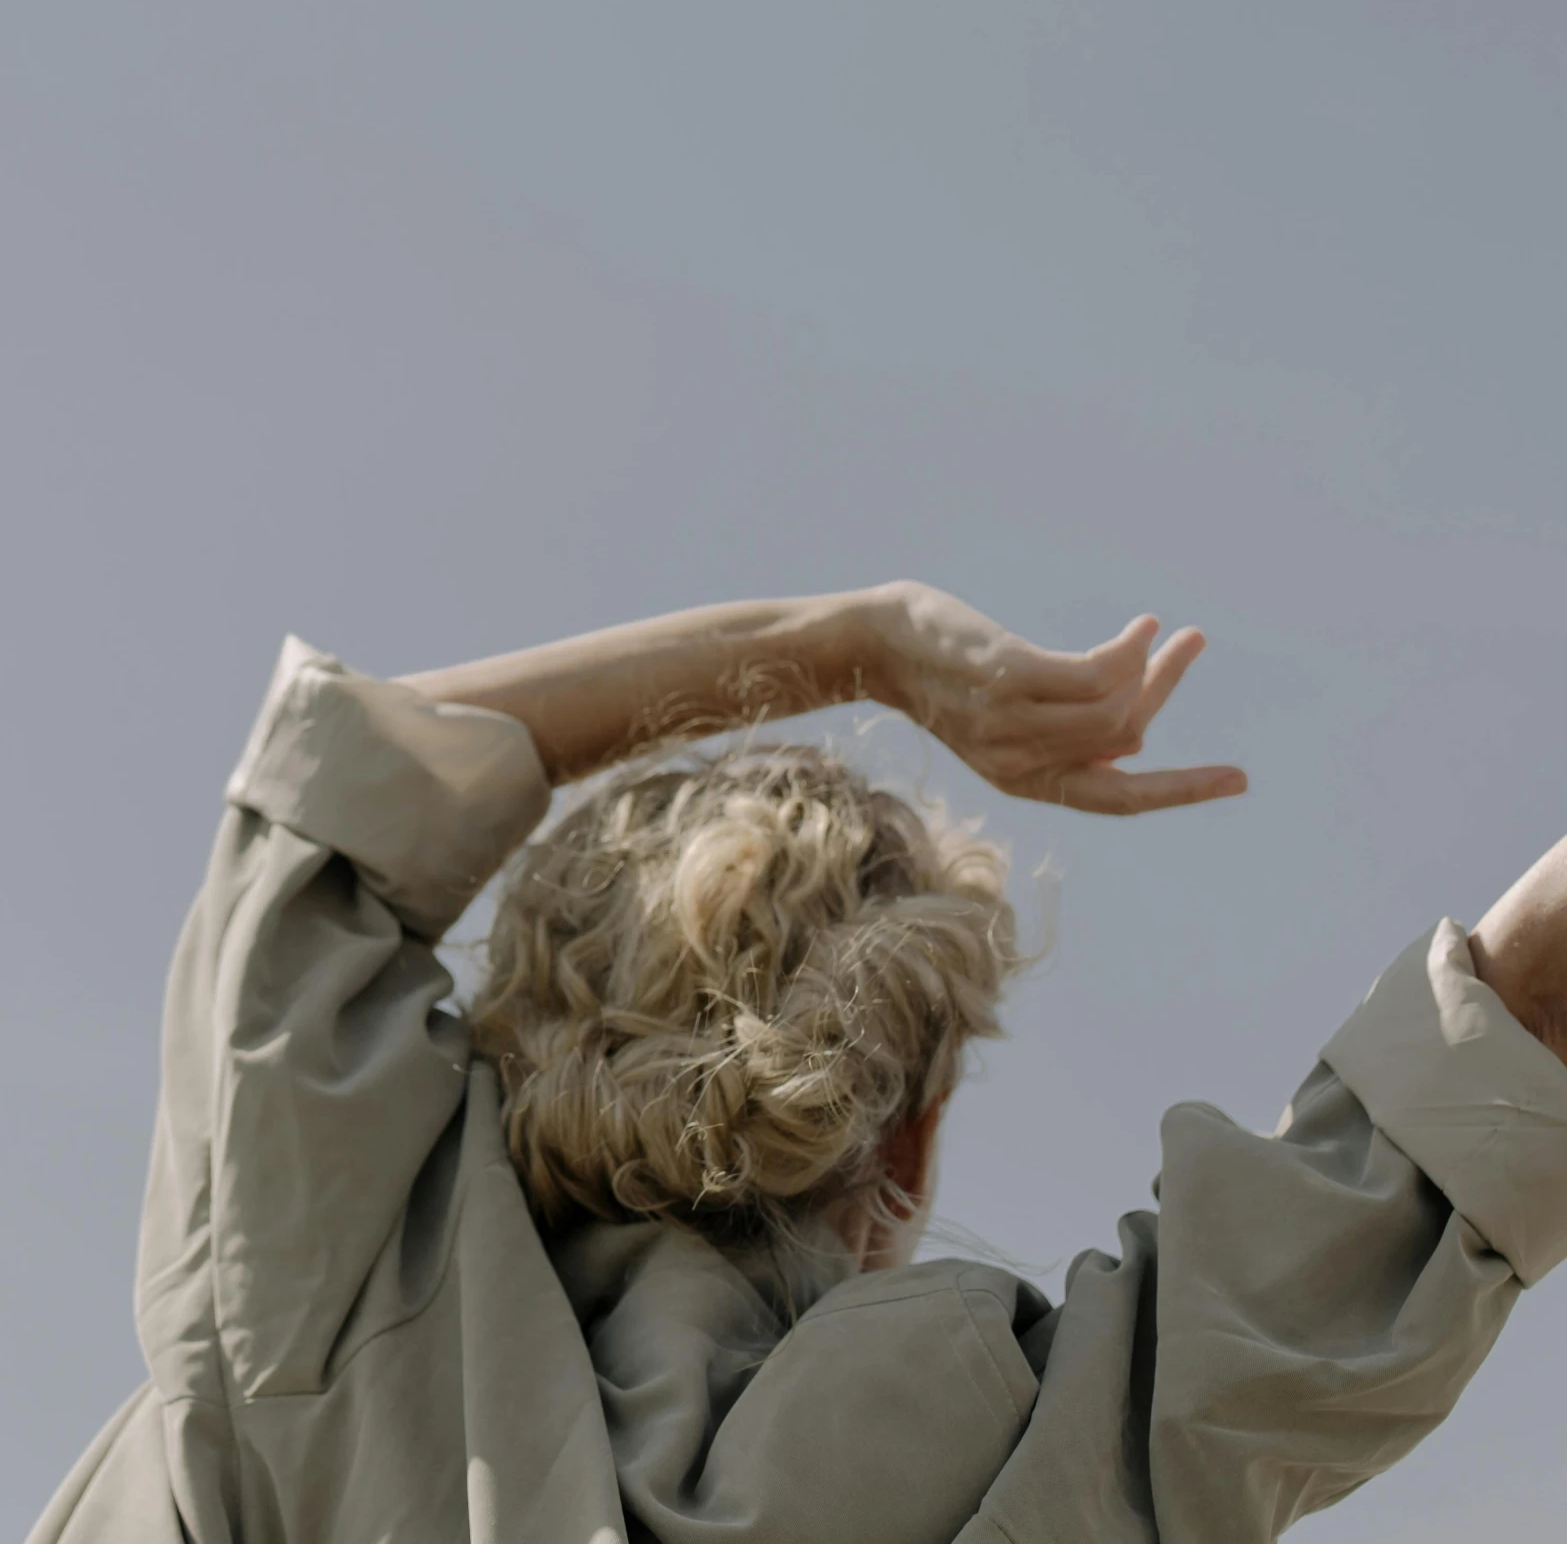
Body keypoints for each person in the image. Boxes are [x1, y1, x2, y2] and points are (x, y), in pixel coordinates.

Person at [29, 581, 1567, 1543]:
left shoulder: (303, 1286)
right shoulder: (1016, 1447)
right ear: (902, 1142)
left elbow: (345, 800)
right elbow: (1455, 1101)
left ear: (517, 1028)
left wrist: (852, 641)